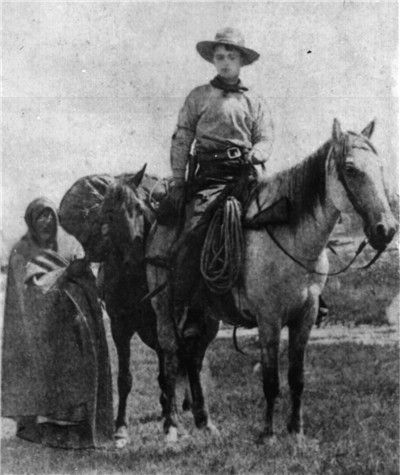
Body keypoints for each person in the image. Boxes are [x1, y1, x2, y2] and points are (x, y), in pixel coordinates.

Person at [168, 27, 274, 339]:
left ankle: (304, 297)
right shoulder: (198, 97)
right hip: (210, 178)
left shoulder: (253, 100)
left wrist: (258, 152)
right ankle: (190, 310)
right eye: (220, 56)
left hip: (246, 175)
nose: (225, 61)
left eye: (231, 56)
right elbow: (181, 139)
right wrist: (178, 180)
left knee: (280, 220)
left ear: (241, 61)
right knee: (194, 232)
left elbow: (266, 136)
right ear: (213, 60)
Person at [1, 197, 114, 449]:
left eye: (50, 215)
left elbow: (86, 277)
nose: (47, 221)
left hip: (73, 327)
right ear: (31, 221)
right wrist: (65, 274)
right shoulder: (22, 251)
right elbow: (30, 294)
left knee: (78, 374)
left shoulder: (69, 243)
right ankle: (46, 427)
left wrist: (83, 272)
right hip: (41, 333)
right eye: (41, 216)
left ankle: (79, 429)